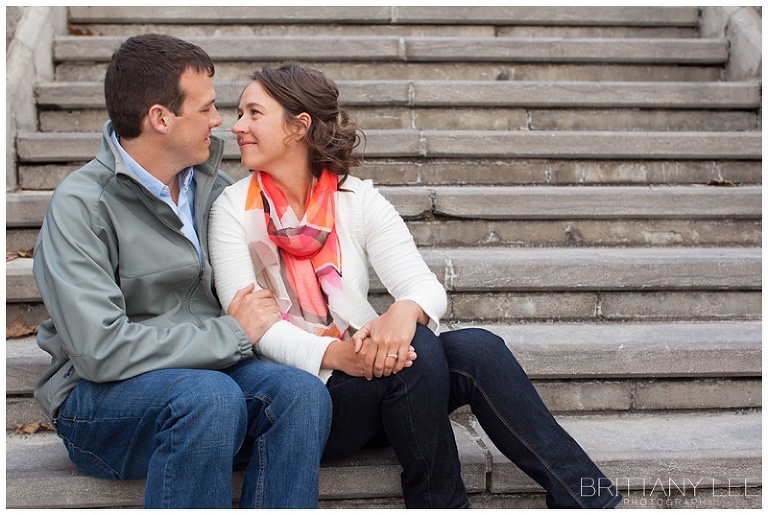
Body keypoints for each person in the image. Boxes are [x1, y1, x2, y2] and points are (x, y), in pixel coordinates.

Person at [208, 62, 623, 509]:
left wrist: (403, 312)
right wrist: (338, 355)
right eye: (240, 114)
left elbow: (421, 285)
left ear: (298, 126)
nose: (237, 126)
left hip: (378, 375)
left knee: (477, 349)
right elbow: (251, 324)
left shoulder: (356, 197)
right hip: (304, 398)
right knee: (419, 352)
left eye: (253, 113)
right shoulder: (232, 209)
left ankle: (589, 497)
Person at [32, 36, 332, 509]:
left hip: (208, 384)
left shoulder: (216, 190)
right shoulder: (82, 205)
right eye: (207, 108)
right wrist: (230, 334)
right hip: (100, 403)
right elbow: (99, 351)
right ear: (160, 118)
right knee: (208, 397)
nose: (220, 122)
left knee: (300, 394)